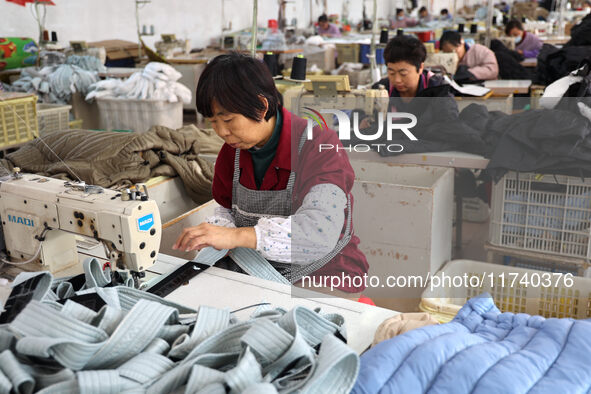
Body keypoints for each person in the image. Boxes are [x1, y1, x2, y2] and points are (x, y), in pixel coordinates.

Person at [174, 52, 368, 294]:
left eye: (228, 119)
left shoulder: (318, 145)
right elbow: (226, 212)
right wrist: (215, 234)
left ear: (262, 106)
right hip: (260, 266)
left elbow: (320, 232)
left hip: (324, 270)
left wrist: (235, 237)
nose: (221, 132)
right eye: (212, 122)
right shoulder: (231, 153)